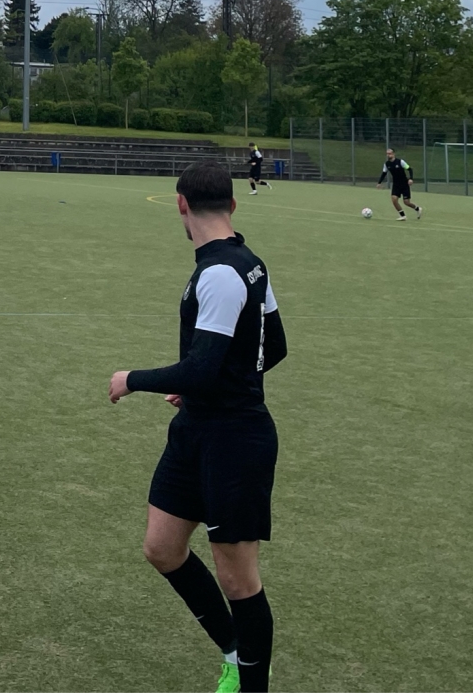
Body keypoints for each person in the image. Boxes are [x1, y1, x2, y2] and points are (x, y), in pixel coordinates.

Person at [108, 159, 285, 693]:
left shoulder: (224, 273)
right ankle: (234, 652)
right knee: (162, 547)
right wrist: (205, 387)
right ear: (231, 203)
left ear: (181, 205)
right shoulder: (248, 264)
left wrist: (131, 379)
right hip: (196, 431)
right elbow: (272, 347)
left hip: (235, 441)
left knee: (238, 579)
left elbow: (203, 367)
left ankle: (253, 683)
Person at [377, 148, 422, 219]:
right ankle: (402, 215)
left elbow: (410, 169)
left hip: (404, 184)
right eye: (387, 154)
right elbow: (384, 173)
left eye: (390, 153)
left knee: (406, 202)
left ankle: (417, 209)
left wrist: (411, 179)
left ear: (393, 154)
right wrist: (379, 182)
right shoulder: (387, 164)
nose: (388, 155)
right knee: (394, 199)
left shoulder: (400, 162)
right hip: (396, 184)